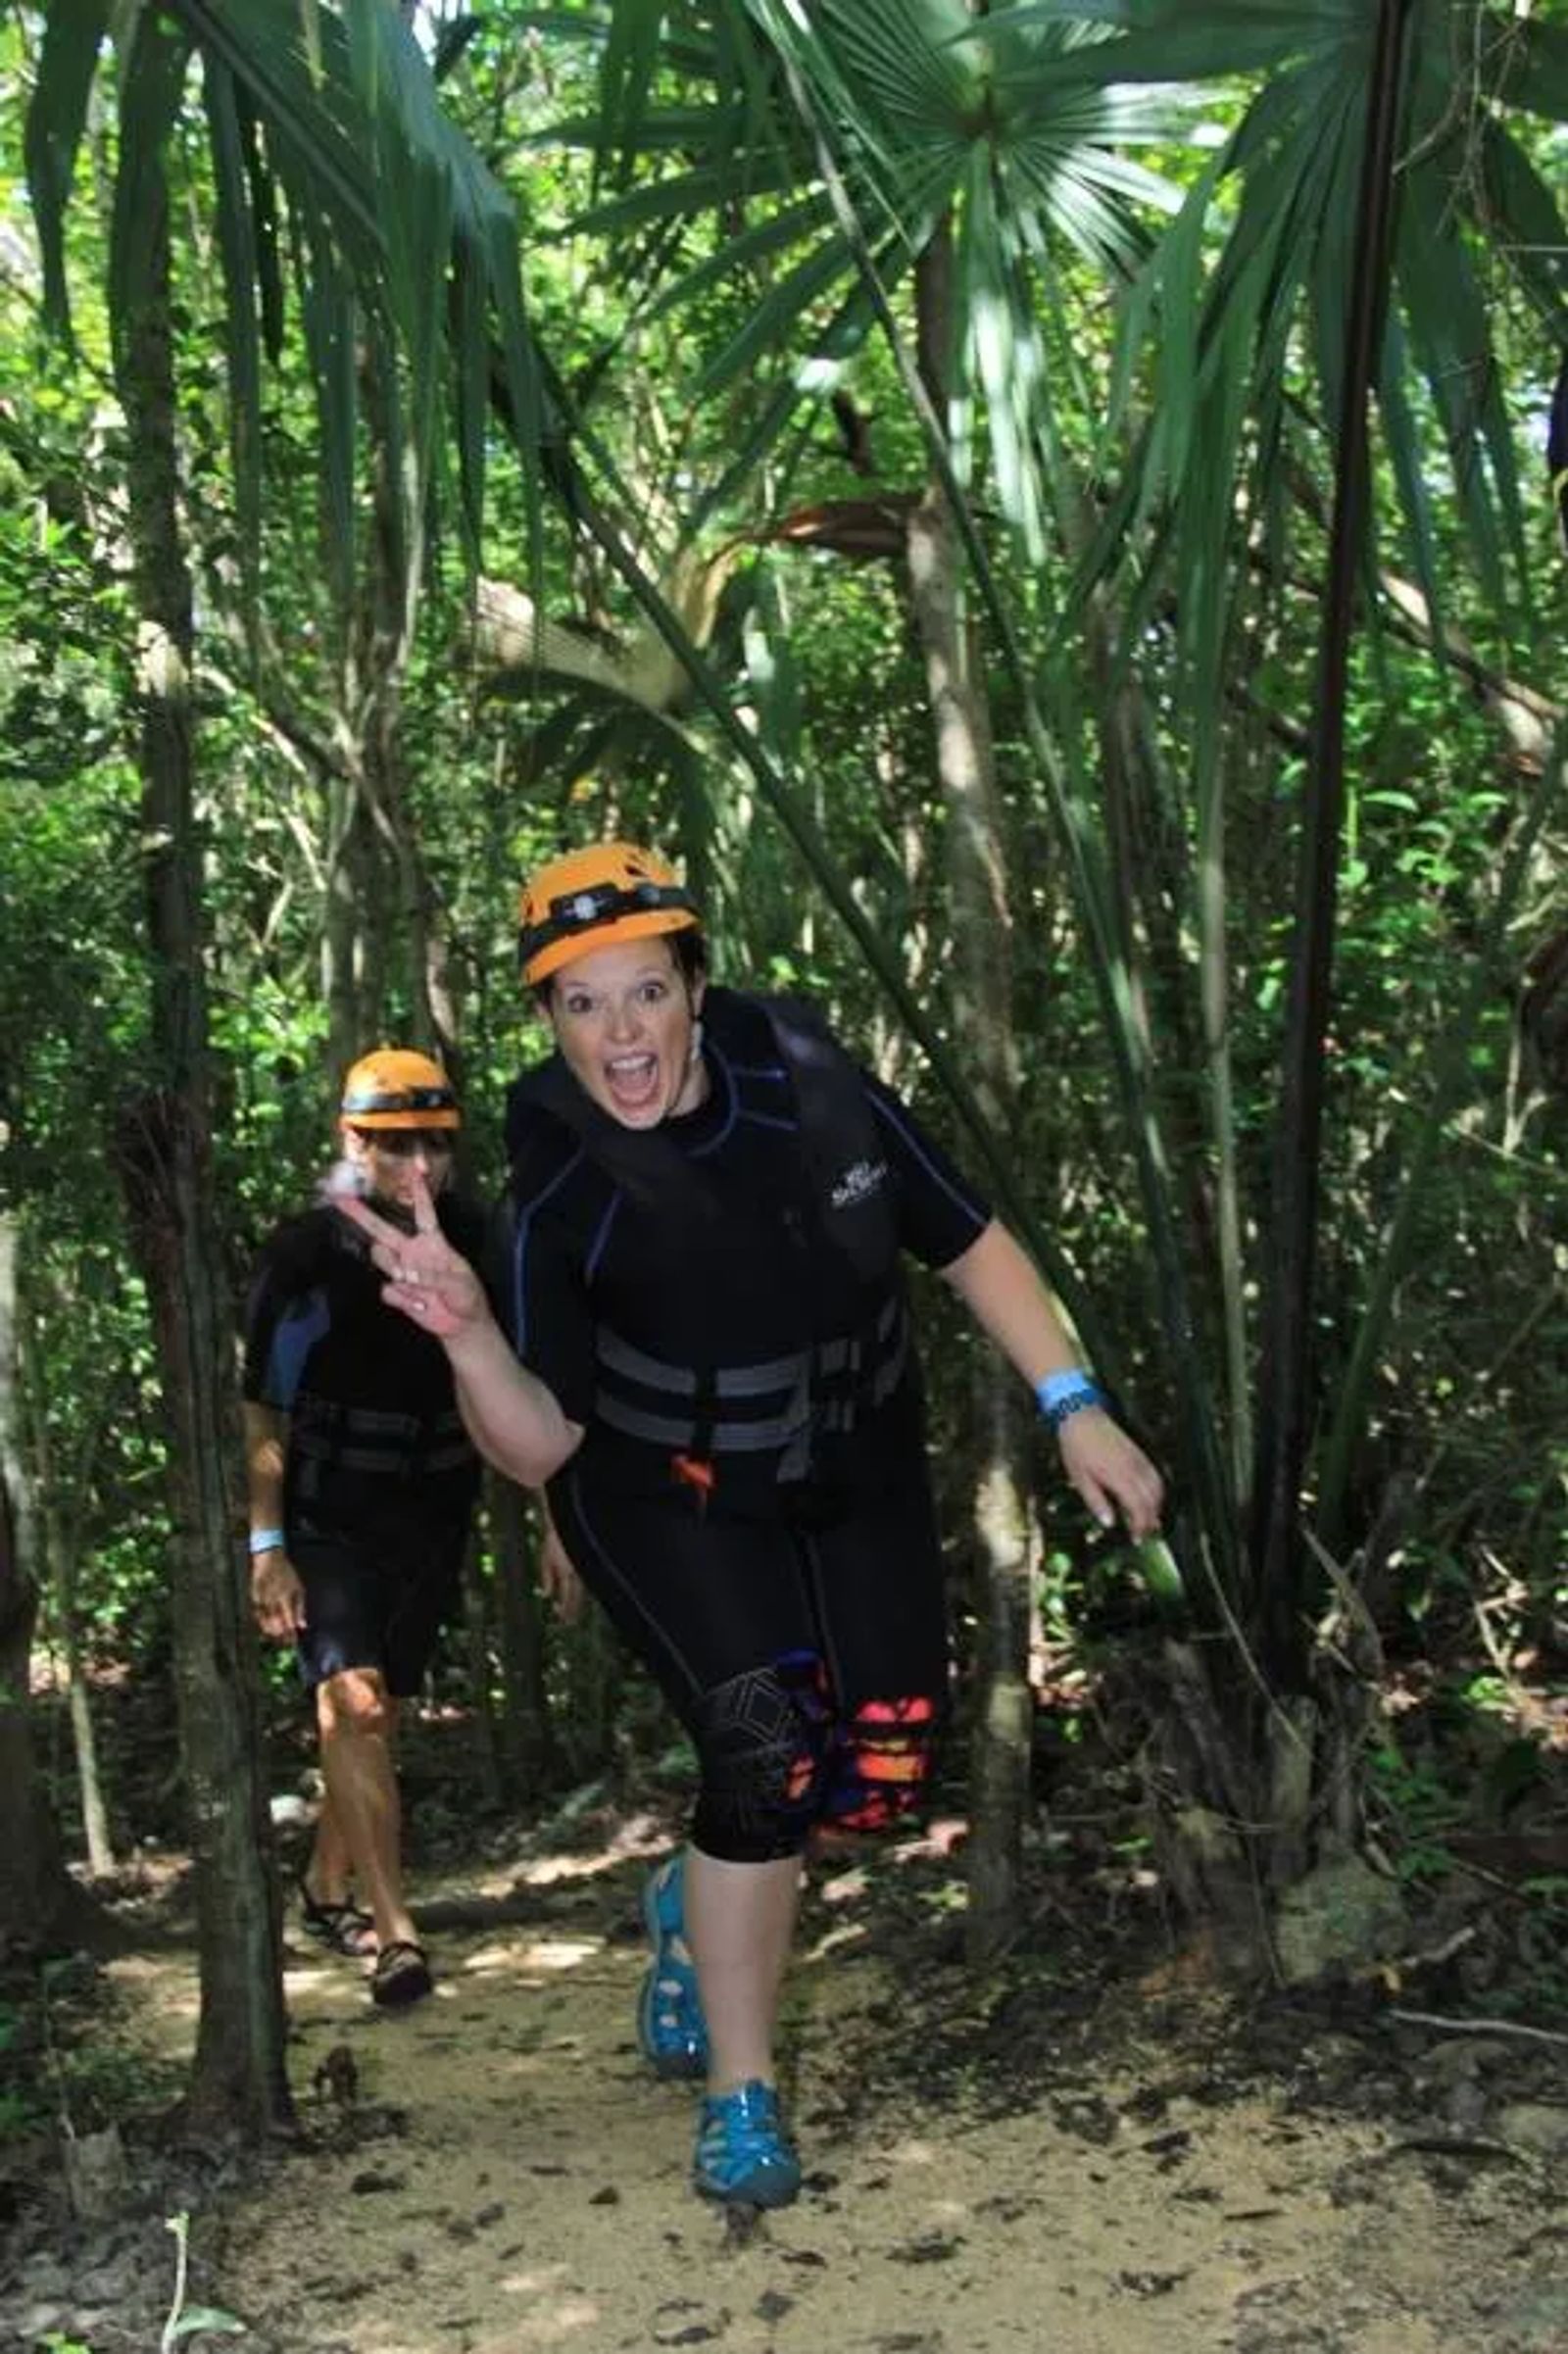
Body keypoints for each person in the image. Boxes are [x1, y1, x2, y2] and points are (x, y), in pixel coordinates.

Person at [338, 843, 1163, 2193]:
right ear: (549, 1022)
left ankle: (690, 1898)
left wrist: (1075, 1399)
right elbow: (541, 1438)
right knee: (763, 1756)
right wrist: (473, 1335)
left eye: (645, 992)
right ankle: (742, 2092)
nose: (621, 1033)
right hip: (659, 1491)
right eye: (582, 1003)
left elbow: (966, 1237)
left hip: (853, 1454)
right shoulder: (558, 1183)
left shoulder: (818, 1088)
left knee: (881, 1767)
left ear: (696, 990)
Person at [243, 1048, 488, 2010]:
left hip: (432, 1505)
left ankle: (325, 1883)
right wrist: (267, 1546)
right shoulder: (305, 1253)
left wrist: (560, 1520)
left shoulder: (481, 1237)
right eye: (392, 1146)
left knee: (378, 1711)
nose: (415, 1164)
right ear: (353, 1142)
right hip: (326, 1509)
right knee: (355, 1703)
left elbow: (527, 1380)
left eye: (432, 1142)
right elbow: (263, 1409)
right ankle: (396, 1935)